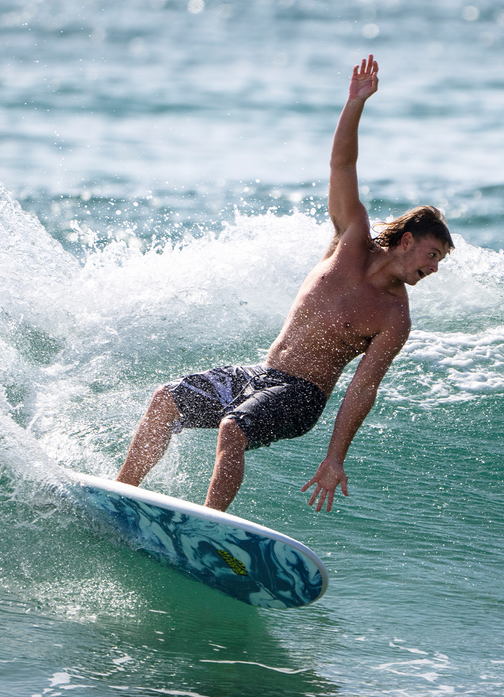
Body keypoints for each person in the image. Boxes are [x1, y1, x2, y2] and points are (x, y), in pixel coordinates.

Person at [116, 55, 453, 512]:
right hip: (262, 375)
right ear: (407, 241)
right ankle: (122, 496)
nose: (433, 269)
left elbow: (362, 389)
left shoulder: (394, 316)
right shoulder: (350, 239)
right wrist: (355, 102)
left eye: (439, 262)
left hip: (303, 396)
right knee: (165, 401)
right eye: (432, 256)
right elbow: (342, 164)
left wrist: (334, 458)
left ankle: (211, 525)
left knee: (232, 429)